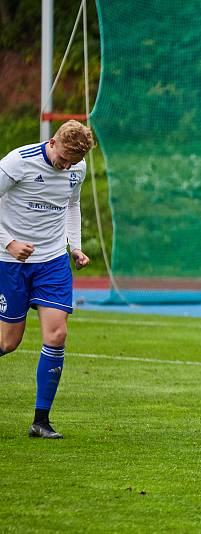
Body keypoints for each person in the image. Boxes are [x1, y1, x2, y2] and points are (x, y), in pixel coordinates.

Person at [0, 120, 95, 439]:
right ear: (52, 142)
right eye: (64, 159)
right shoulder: (17, 162)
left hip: (52, 261)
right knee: (7, 342)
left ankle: (41, 421)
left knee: (57, 335)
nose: (67, 166)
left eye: (73, 163)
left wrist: (75, 246)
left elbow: (72, 205)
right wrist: (9, 242)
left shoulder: (76, 169)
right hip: (10, 262)